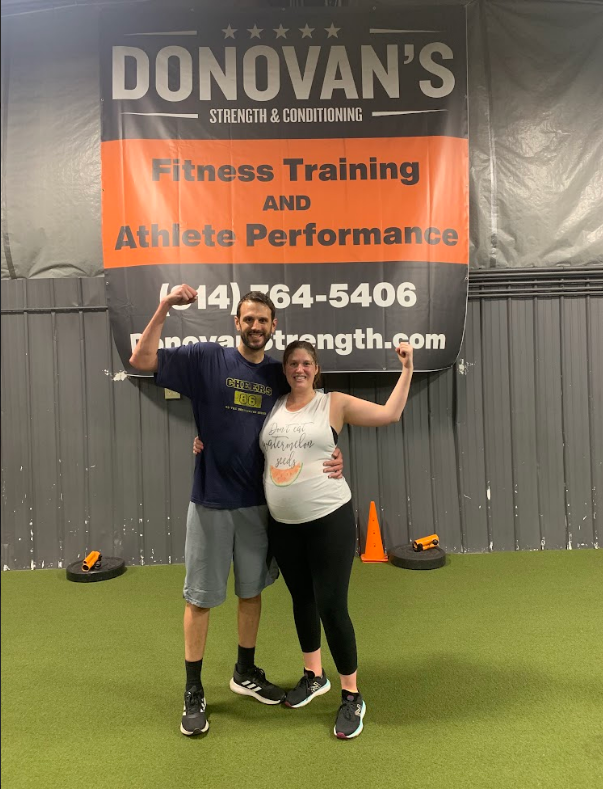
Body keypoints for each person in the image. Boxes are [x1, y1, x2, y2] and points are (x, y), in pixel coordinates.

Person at [129, 285, 343, 738]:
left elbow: (313, 417)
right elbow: (142, 361)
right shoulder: (207, 358)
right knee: (200, 599)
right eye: (248, 319)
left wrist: (336, 454)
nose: (255, 326)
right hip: (210, 500)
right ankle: (193, 689)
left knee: (251, 592)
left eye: (263, 320)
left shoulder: (278, 373)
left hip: (258, 505)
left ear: (273, 326)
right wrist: (164, 305)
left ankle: (244, 671)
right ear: (236, 322)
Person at [259, 339, 414, 739]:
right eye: (293, 362)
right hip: (283, 525)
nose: (299, 369)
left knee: (331, 606)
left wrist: (408, 369)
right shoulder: (273, 407)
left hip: (329, 520)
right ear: (285, 368)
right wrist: (201, 444)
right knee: (302, 601)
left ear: (317, 368)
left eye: (306, 363)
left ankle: (351, 695)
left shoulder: (334, 403)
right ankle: (314, 676)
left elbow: (390, 414)